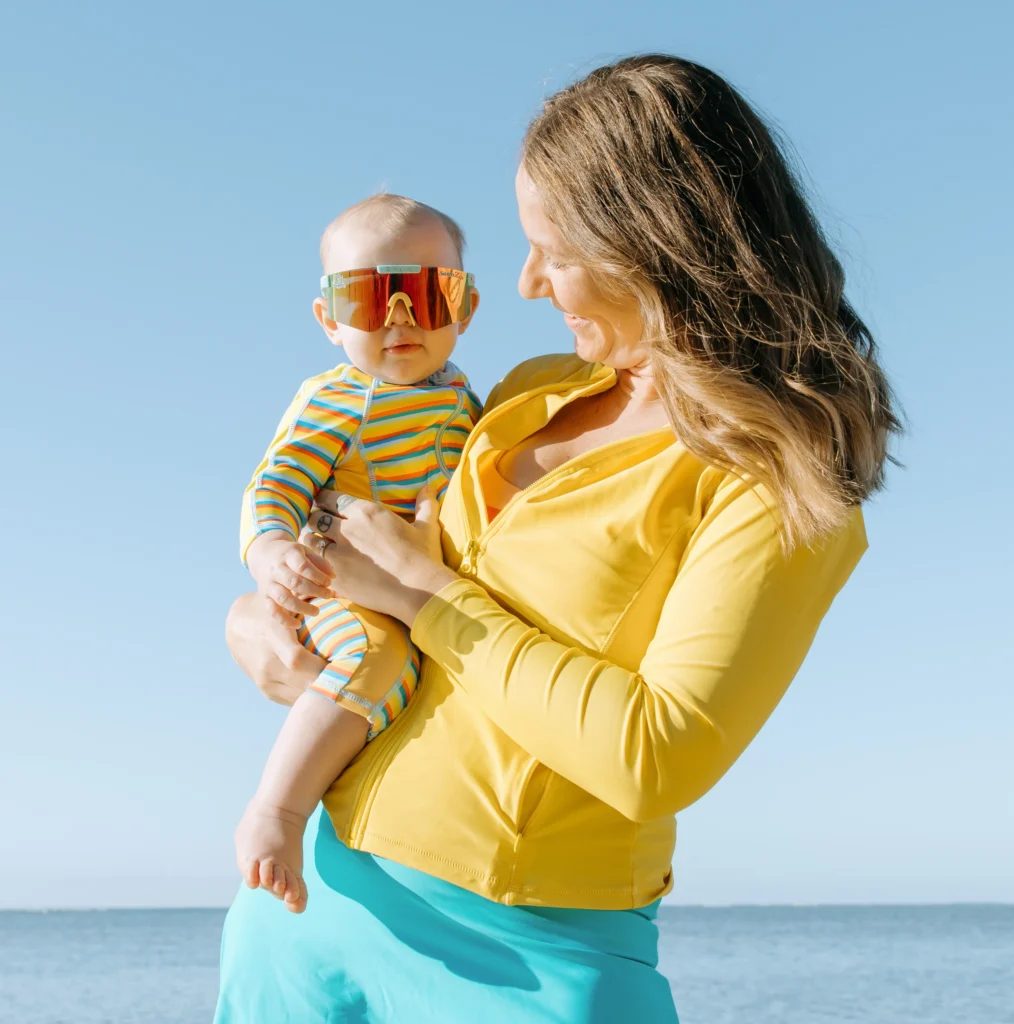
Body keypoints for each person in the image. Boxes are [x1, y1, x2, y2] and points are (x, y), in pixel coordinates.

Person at [215, 54, 902, 1023]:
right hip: (308, 908)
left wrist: (425, 596)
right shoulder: (527, 391)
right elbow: (368, 564)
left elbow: (656, 754)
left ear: (654, 243)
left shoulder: (780, 479)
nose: (530, 282)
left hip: (533, 955)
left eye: (555, 251)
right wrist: (254, 619)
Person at [233, 194, 482, 913]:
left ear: (466, 309)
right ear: (329, 320)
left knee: (404, 678)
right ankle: (277, 811)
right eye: (370, 299)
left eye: (427, 295)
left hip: (416, 597)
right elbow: (276, 480)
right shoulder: (338, 397)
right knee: (376, 659)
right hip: (335, 587)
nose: (400, 318)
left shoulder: (469, 401)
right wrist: (271, 551)